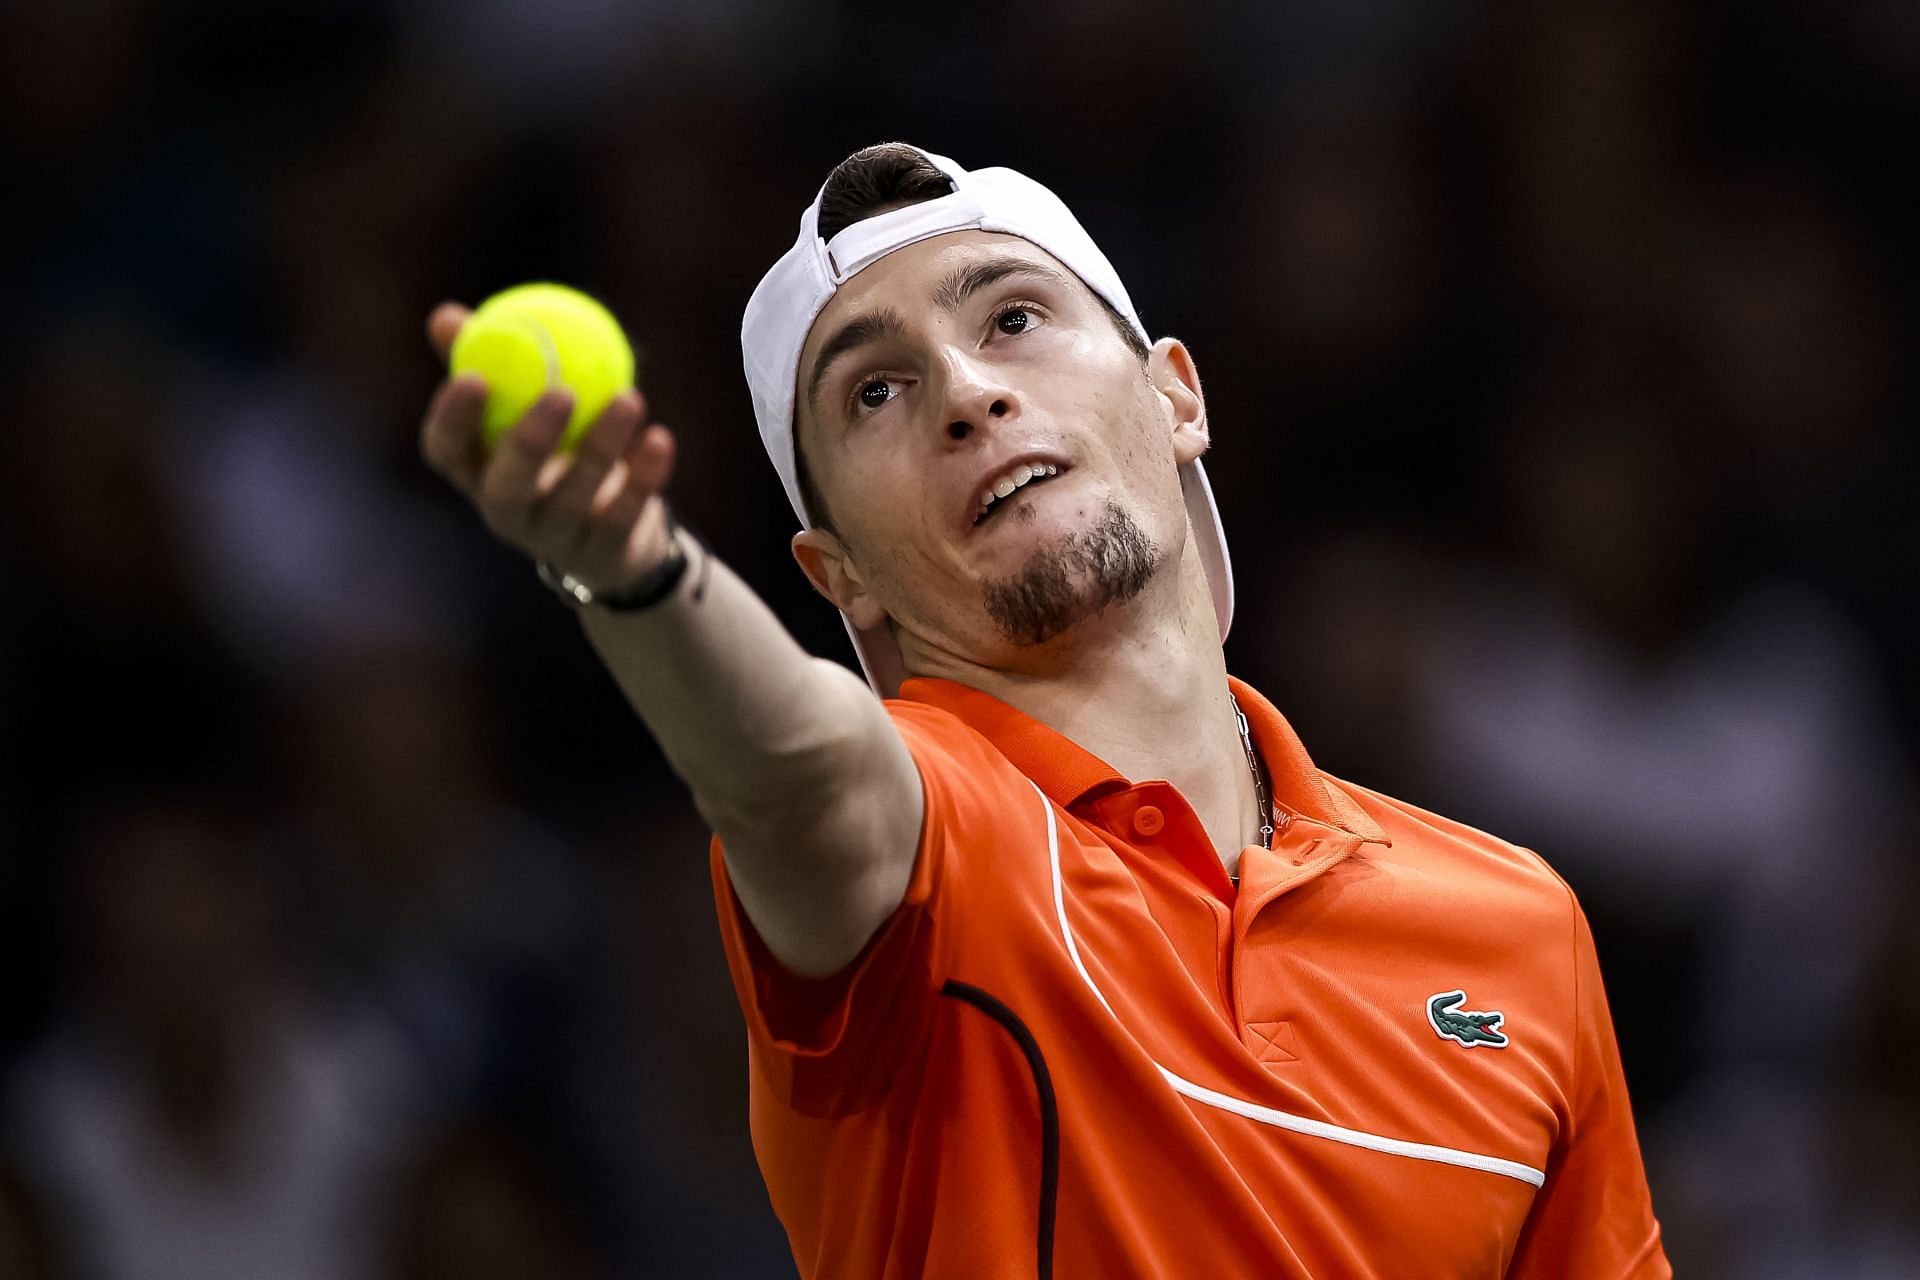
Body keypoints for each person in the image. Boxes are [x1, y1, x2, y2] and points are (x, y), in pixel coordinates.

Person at [418, 142, 1670, 1278]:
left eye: (1012, 316)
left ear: (1177, 395)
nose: (966, 390)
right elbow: (791, 769)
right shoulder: (927, 849)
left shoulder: (1518, 929)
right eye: (874, 393)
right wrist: (632, 570)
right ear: (836, 574)